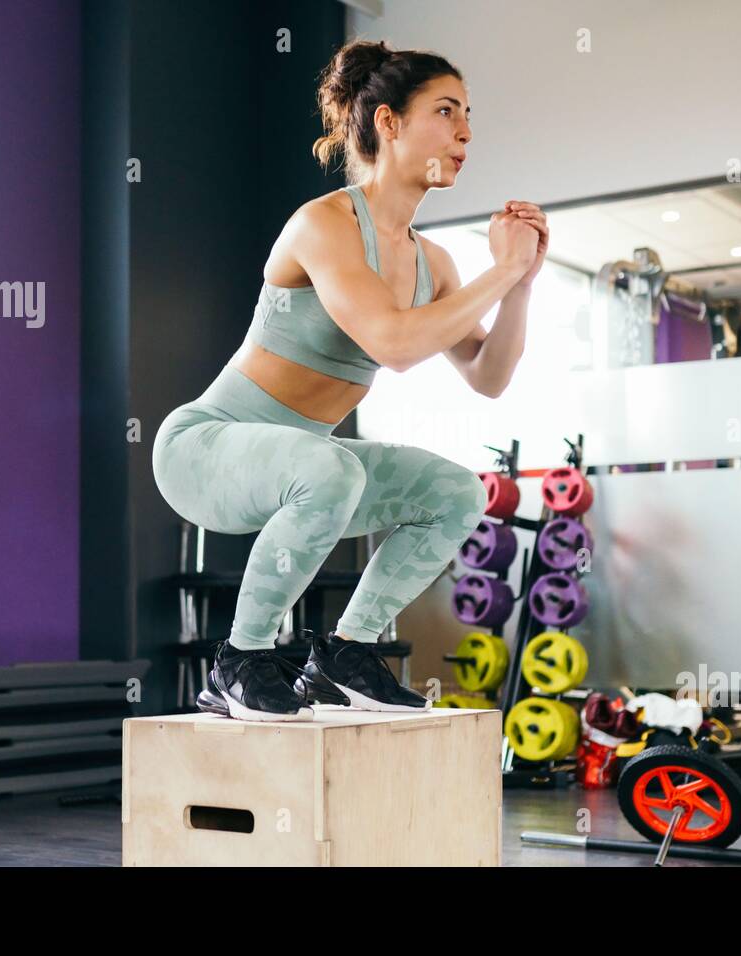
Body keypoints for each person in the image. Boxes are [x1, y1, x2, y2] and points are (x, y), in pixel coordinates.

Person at [152, 39, 548, 722]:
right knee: (329, 470)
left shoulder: (435, 262)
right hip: (206, 450)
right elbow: (393, 345)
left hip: (305, 462)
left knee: (456, 492)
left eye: (469, 115)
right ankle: (239, 661)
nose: (465, 133)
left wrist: (521, 286)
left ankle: (347, 650)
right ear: (389, 123)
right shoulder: (325, 224)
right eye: (446, 111)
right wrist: (502, 271)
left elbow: (488, 377)